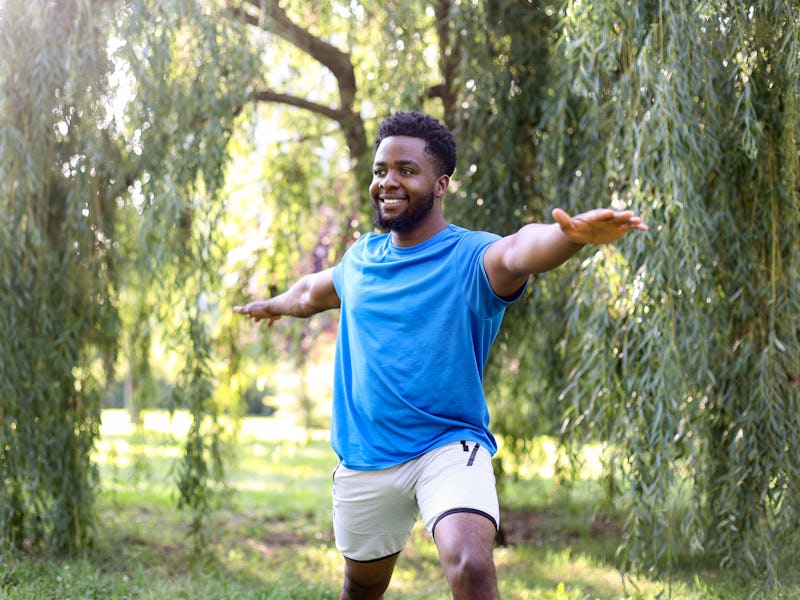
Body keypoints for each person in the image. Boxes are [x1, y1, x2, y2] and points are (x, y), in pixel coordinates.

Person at [234, 111, 647, 600]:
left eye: (406, 170)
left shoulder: (472, 257)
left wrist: (568, 237)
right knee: (361, 589)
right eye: (380, 170)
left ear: (441, 183)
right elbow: (309, 293)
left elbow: (519, 249)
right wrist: (273, 305)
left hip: (448, 446)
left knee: (471, 566)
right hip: (366, 453)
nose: (388, 181)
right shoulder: (361, 259)